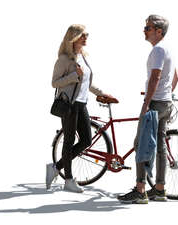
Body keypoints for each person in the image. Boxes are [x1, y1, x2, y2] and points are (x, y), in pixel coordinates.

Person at [118, 15, 178, 203]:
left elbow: (155, 77)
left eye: (148, 28)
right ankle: (159, 189)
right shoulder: (168, 49)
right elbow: (176, 78)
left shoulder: (158, 50)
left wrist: (146, 103)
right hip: (166, 104)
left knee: (141, 145)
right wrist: (165, 95)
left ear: (158, 31)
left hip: (155, 105)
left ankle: (140, 190)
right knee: (160, 147)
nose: (144, 30)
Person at [46, 24, 114, 193]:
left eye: (86, 35)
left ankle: (55, 168)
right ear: (73, 37)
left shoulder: (82, 56)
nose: (86, 37)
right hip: (69, 104)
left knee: (86, 141)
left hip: (82, 103)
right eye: (83, 35)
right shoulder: (64, 59)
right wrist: (73, 76)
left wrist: (102, 93)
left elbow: (86, 83)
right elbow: (54, 82)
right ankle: (68, 180)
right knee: (68, 141)